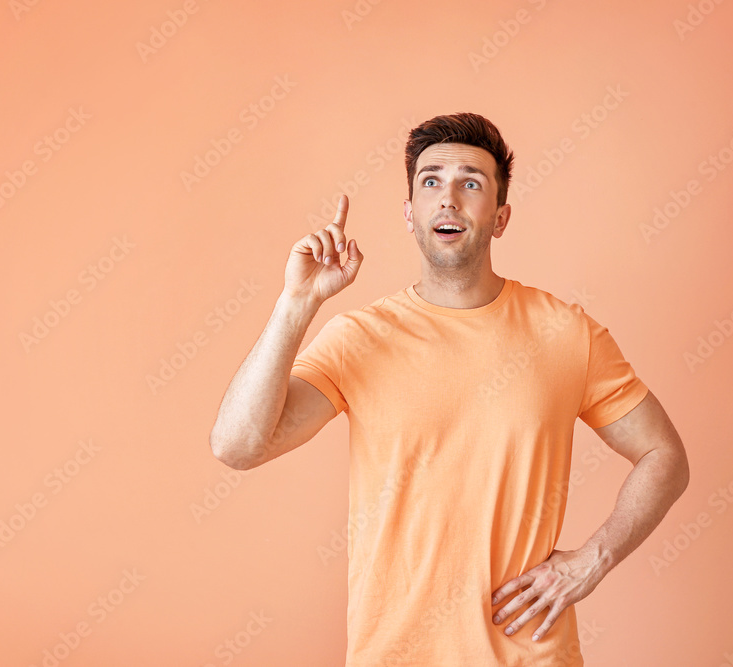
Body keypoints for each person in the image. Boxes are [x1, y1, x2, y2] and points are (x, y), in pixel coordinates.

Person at [208, 112, 689, 666]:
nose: (449, 199)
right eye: (431, 181)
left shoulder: (566, 333)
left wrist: (594, 559)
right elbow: (237, 446)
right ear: (410, 213)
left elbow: (664, 455)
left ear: (501, 217)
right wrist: (296, 305)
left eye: (471, 183)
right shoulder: (359, 338)